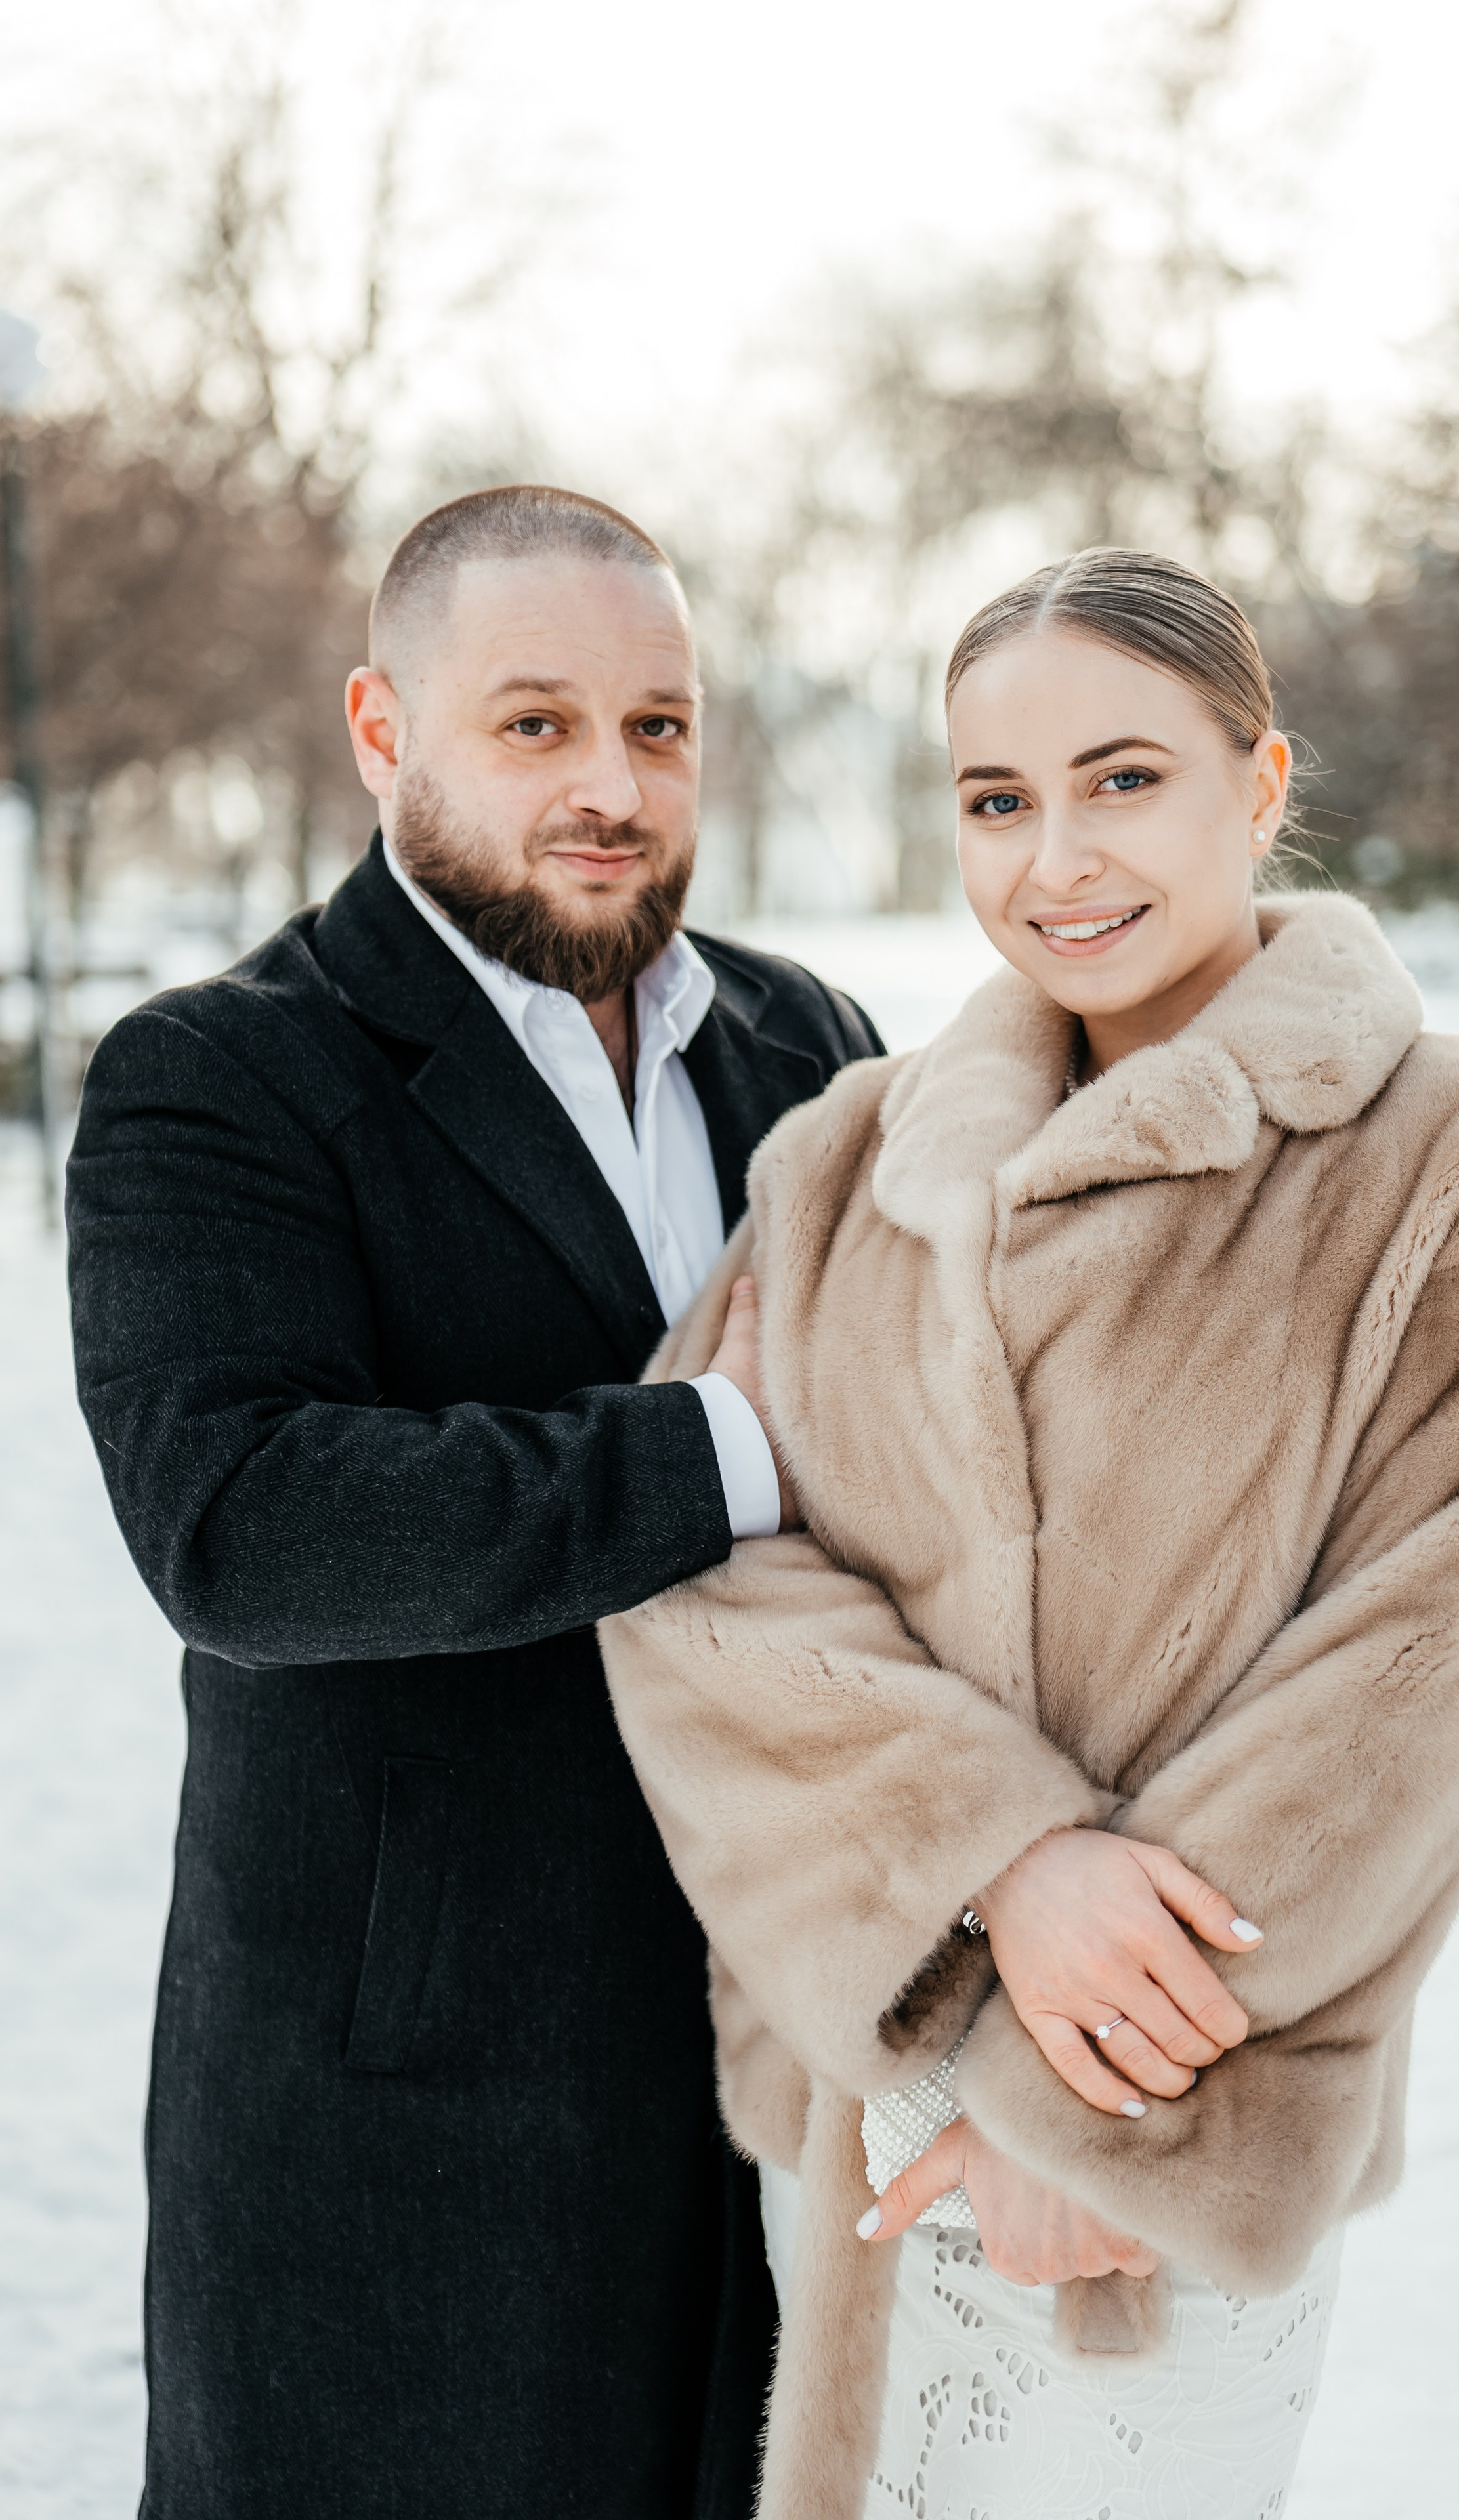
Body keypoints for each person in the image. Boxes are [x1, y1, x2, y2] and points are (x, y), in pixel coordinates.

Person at [601, 547, 1459, 2519]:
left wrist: (1082, 2119)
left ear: (1262, 779)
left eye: (1124, 779)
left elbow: (1418, 1674)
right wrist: (997, 1849)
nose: (1057, 859)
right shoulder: (844, 1165)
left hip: (1168, 2139)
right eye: (999, 800)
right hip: (863, 2110)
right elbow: (697, 1582)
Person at [64, 484, 882, 2520]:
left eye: (660, 727)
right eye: (536, 724)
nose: (613, 786)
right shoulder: (217, 1078)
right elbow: (244, 1526)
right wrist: (736, 1449)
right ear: (383, 728)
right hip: (410, 2148)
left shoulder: (817, 1052)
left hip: (794, 2091)